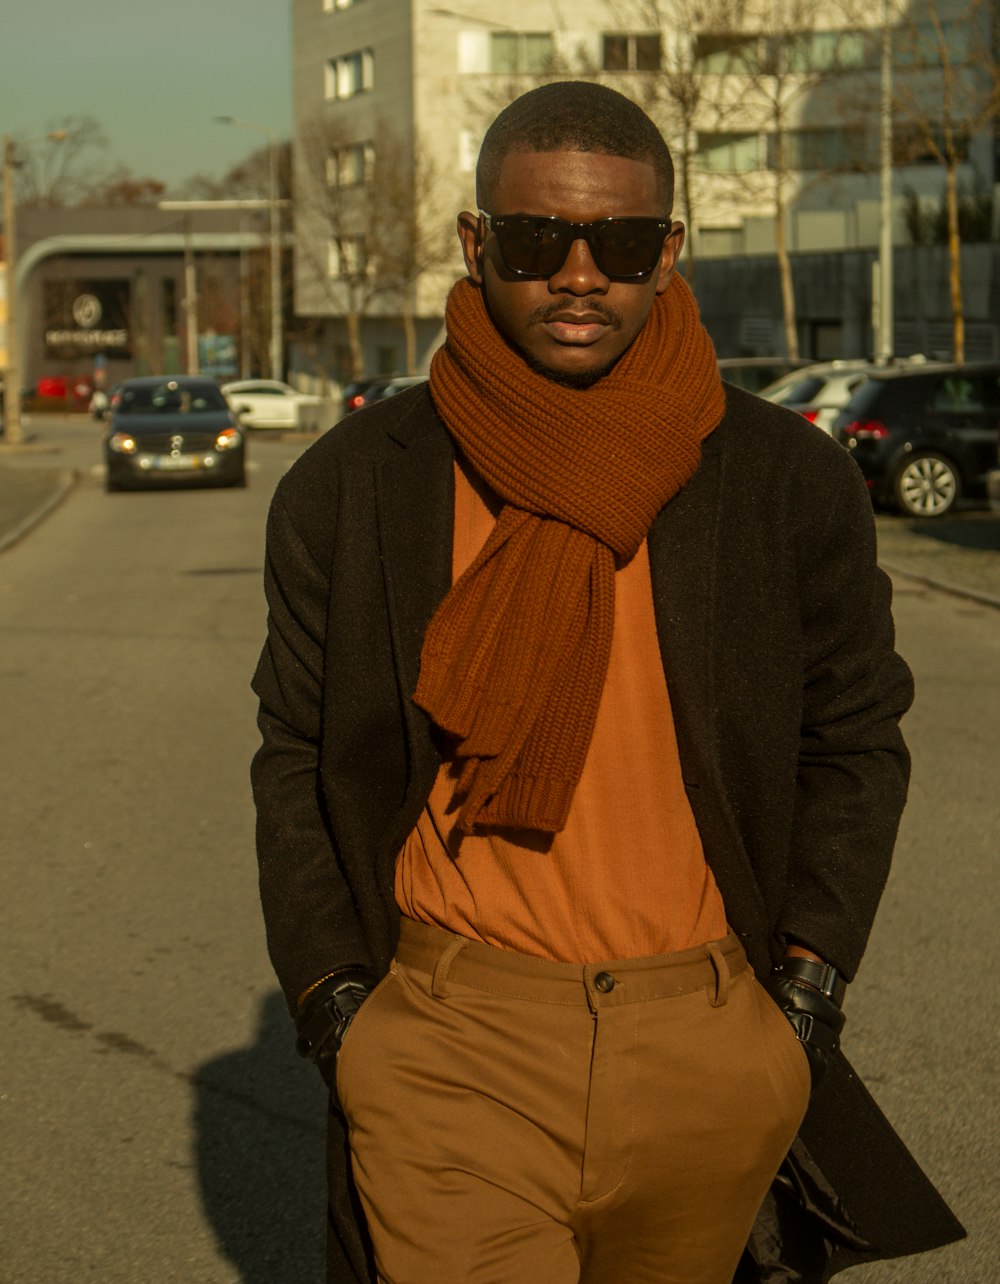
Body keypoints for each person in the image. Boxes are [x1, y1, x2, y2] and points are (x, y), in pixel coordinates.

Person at [251, 81, 963, 1284]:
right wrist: (337, 1007)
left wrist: (799, 1000)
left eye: (620, 244)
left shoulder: (783, 479)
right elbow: (295, 757)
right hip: (449, 1044)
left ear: (667, 252)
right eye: (536, 240)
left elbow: (855, 742)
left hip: (708, 1040)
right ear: (477, 243)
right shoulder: (355, 483)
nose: (579, 273)